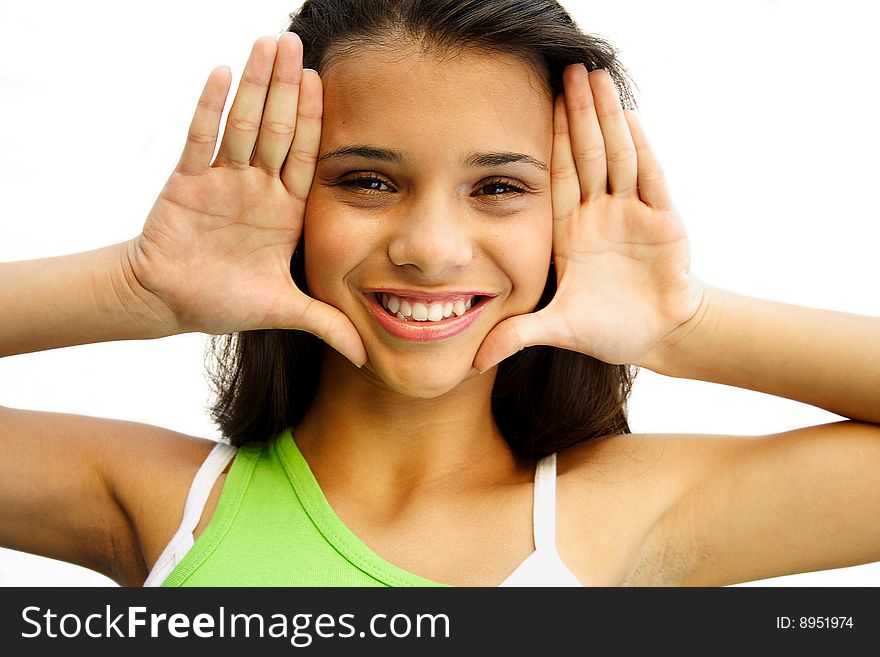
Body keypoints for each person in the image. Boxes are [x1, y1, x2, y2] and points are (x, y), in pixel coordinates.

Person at [1, 0, 879, 587]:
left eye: (498, 188)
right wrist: (132, 288)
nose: (429, 248)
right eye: (368, 181)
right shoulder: (166, 501)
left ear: (563, 216)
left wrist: (684, 326)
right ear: (293, 202)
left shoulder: (621, 513)